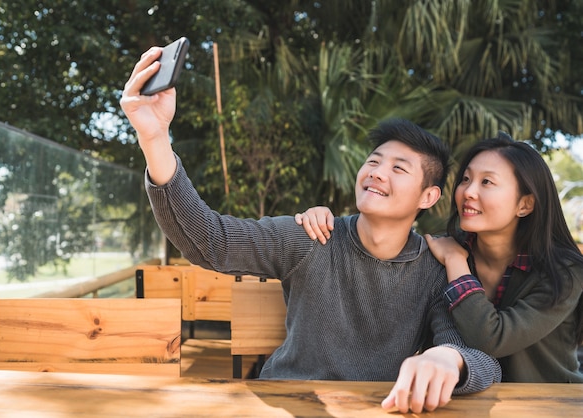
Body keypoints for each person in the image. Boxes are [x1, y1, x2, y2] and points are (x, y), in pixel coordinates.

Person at [120, 46, 501, 414]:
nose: (377, 173)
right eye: (374, 161)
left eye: (399, 168)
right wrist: (154, 139)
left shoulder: (432, 271)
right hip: (284, 400)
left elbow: (480, 359)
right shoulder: (313, 236)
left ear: (428, 196)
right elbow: (210, 242)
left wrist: (448, 359)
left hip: (373, 409)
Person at [298, 133, 583, 383]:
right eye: (466, 179)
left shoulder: (564, 273)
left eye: (487, 182)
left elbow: (492, 339)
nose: (468, 192)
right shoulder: (443, 250)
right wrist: (324, 221)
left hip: (549, 404)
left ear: (525, 204)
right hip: (466, 403)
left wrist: (457, 264)